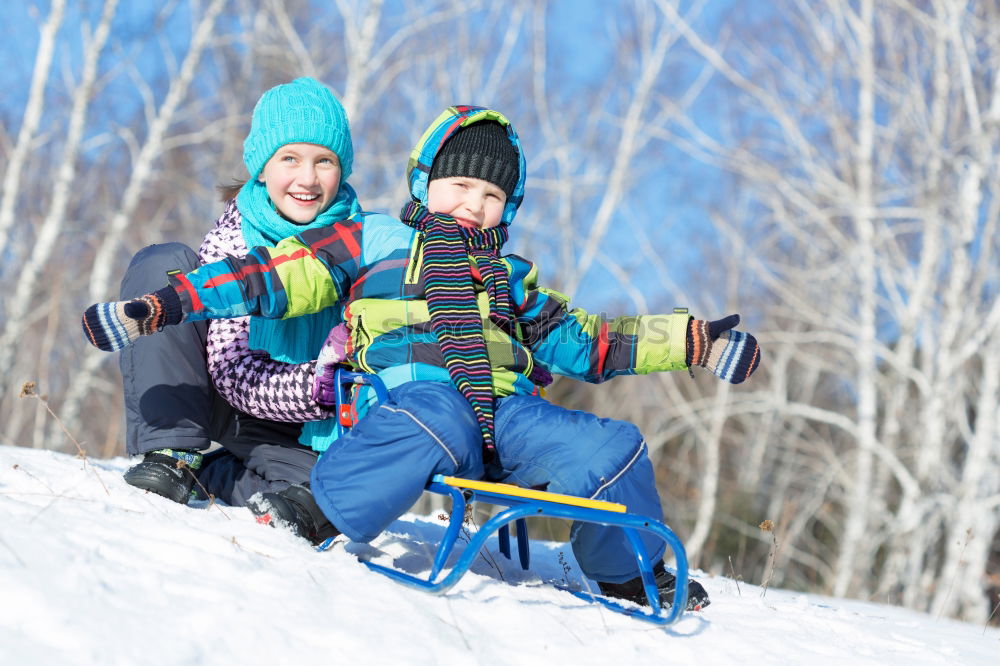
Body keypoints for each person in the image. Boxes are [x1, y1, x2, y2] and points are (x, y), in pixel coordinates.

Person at [83, 105, 762, 611]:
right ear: (425, 181)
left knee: (610, 446)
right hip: (406, 402)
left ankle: (626, 570)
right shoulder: (372, 240)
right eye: (461, 186)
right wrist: (165, 305)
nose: (475, 204)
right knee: (437, 411)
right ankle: (319, 508)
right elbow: (270, 278)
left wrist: (698, 341)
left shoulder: (512, 279)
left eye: (493, 196)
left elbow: (596, 341)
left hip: (507, 412)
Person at [117, 77, 361, 509]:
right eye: (290, 158)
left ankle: (218, 476)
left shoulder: (360, 241)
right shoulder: (236, 237)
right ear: (262, 167)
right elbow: (232, 369)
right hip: (230, 394)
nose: (307, 178)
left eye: (324, 161)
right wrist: (317, 384)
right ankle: (172, 453)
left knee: (322, 500)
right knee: (164, 264)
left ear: (341, 170)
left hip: (303, 426)